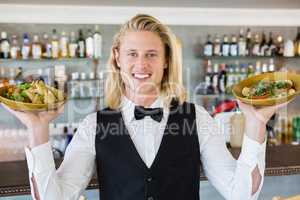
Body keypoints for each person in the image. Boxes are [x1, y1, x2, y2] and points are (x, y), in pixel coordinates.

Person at [2, 14, 289, 200]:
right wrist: (37, 129)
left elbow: (242, 194)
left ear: (166, 60)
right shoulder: (93, 126)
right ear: (117, 58)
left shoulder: (197, 118)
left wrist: (256, 123)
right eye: (132, 54)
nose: (141, 65)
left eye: (151, 54)